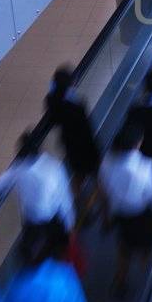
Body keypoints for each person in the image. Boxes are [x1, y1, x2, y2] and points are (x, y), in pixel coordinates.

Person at [99, 122, 152, 293]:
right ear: (136, 144)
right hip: (143, 214)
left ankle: (120, 281)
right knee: (147, 249)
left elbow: (104, 190)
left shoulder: (106, 162)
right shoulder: (144, 166)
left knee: (124, 246)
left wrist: (107, 216)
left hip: (120, 214)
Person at [0, 130, 75, 234]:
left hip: (32, 220)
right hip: (53, 218)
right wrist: (70, 223)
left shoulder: (17, 170)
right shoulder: (54, 165)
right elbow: (64, 196)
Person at [44, 66, 101, 207]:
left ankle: (78, 204)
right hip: (86, 145)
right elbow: (86, 127)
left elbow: (54, 120)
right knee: (99, 177)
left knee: (77, 176)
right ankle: (105, 211)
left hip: (70, 145)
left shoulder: (52, 101)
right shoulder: (77, 106)